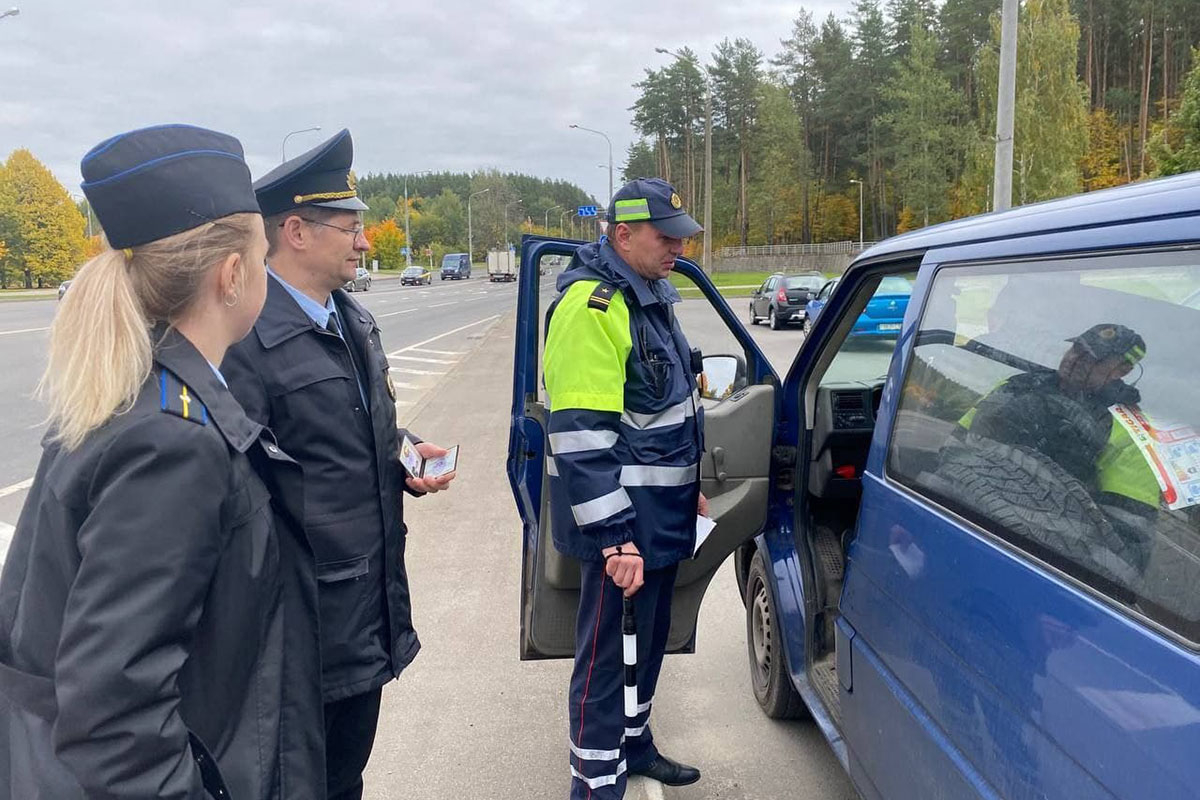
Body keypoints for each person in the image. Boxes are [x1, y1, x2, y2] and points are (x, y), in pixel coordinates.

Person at [0, 125, 323, 798]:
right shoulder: (170, 443)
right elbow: (115, 719)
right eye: (261, 256)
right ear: (232, 276)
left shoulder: (127, 393)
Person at [221, 128, 455, 800]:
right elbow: (241, 486)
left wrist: (406, 451)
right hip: (303, 627)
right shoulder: (247, 338)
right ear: (294, 231)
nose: (364, 240)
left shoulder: (352, 319)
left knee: (344, 776)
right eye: (348, 225)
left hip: (365, 612)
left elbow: (343, 431)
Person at [543, 178, 708, 798]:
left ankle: (634, 745)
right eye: (666, 237)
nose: (678, 248)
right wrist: (614, 541)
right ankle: (594, 785)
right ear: (622, 235)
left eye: (682, 236)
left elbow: (664, 415)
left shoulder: (653, 296)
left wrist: (688, 487)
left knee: (648, 648)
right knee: (605, 662)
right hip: (622, 530)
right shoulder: (595, 309)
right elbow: (582, 440)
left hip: (661, 517)